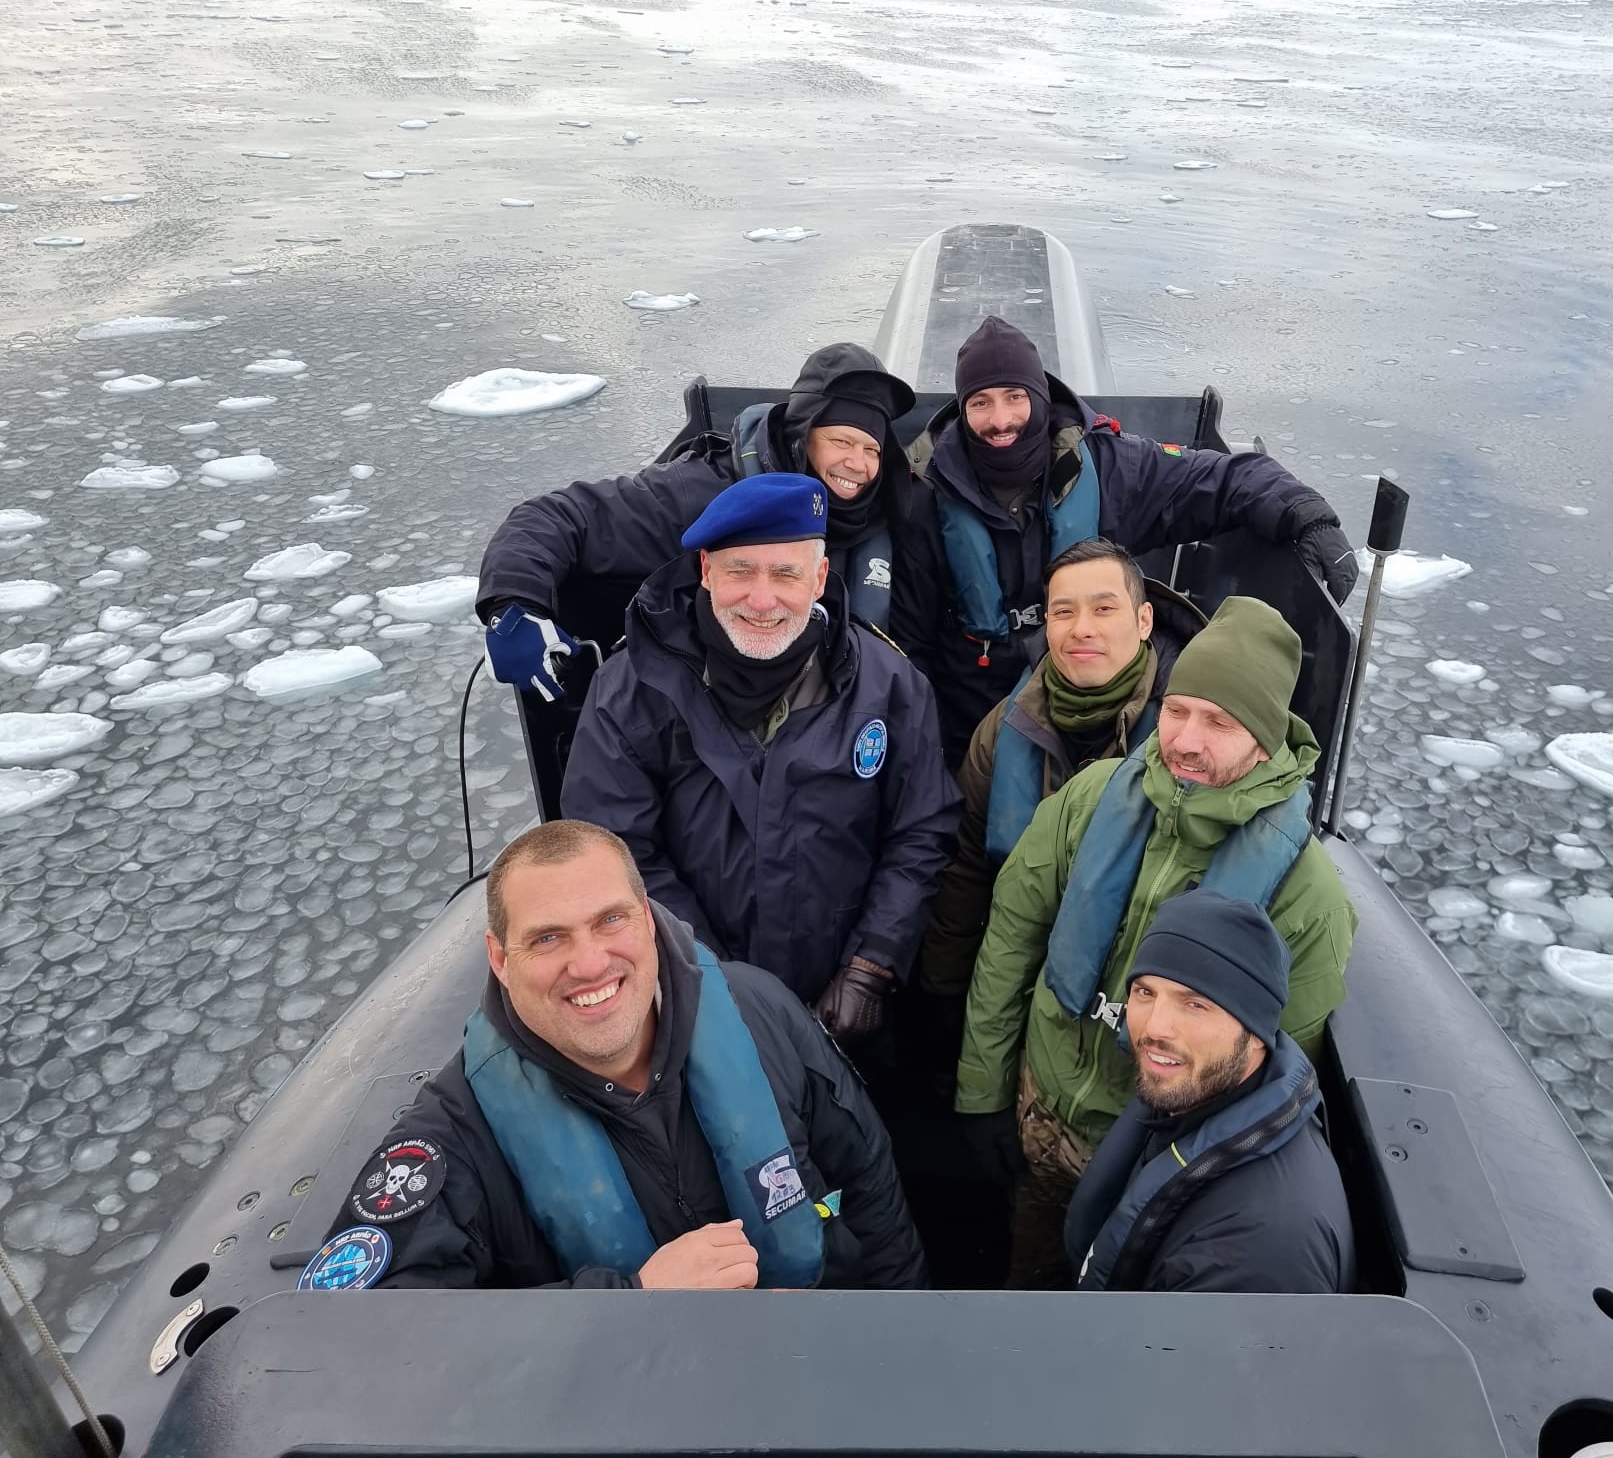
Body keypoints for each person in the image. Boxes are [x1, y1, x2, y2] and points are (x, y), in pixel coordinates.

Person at [304, 821, 925, 1291]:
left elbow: (867, 1180)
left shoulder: (757, 1009)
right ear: (499, 958)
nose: (590, 963)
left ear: (650, 922)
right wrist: (630, 1300)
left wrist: (901, 1343)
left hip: (817, 1367)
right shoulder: (455, 1135)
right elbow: (368, 1344)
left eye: (610, 921)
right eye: (548, 937)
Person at [954, 595, 1358, 1286]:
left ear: (1265, 738)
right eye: (1177, 712)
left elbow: (1277, 1073)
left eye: (1220, 722)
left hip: (1146, 1161)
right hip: (1038, 1109)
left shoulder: (1307, 897)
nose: (1186, 741)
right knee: (1025, 1279)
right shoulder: (1091, 798)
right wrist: (982, 1093)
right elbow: (1010, 945)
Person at [560, 473, 960, 1041]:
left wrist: (872, 964)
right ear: (705, 572)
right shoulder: (632, 690)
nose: (763, 599)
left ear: (820, 578)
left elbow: (921, 831)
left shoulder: (888, 683)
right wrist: (714, 982)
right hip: (689, 998)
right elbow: (615, 852)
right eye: (739, 571)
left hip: (844, 997)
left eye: (786, 574)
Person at [902, 316, 1357, 758]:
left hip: (1101, 704)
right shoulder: (926, 495)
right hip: (976, 716)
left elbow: (1218, 479)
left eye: (1014, 397)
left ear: (1039, 397)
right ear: (962, 412)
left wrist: (1309, 517)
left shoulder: (1107, 466)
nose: (1000, 420)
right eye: (981, 403)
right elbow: (910, 643)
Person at [478, 342, 919, 700]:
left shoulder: (883, 513)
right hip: (707, 718)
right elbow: (560, 516)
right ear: (801, 436)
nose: (857, 464)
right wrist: (512, 603)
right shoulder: (702, 493)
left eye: (872, 449)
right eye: (841, 440)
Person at [917, 538, 1203, 1037]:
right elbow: (963, 870)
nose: (1082, 629)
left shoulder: (1189, 735)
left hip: (1132, 1003)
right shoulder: (1005, 727)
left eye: (1104, 608)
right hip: (1015, 976)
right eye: (1063, 611)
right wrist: (942, 994)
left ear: (1144, 622)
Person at [1065, 891, 1356, 1293]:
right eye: (1146, 992)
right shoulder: (1193, 1089)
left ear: (1255, 1032)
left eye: (1196, 1004)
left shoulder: (1260, 1253)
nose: (1154, 1028)